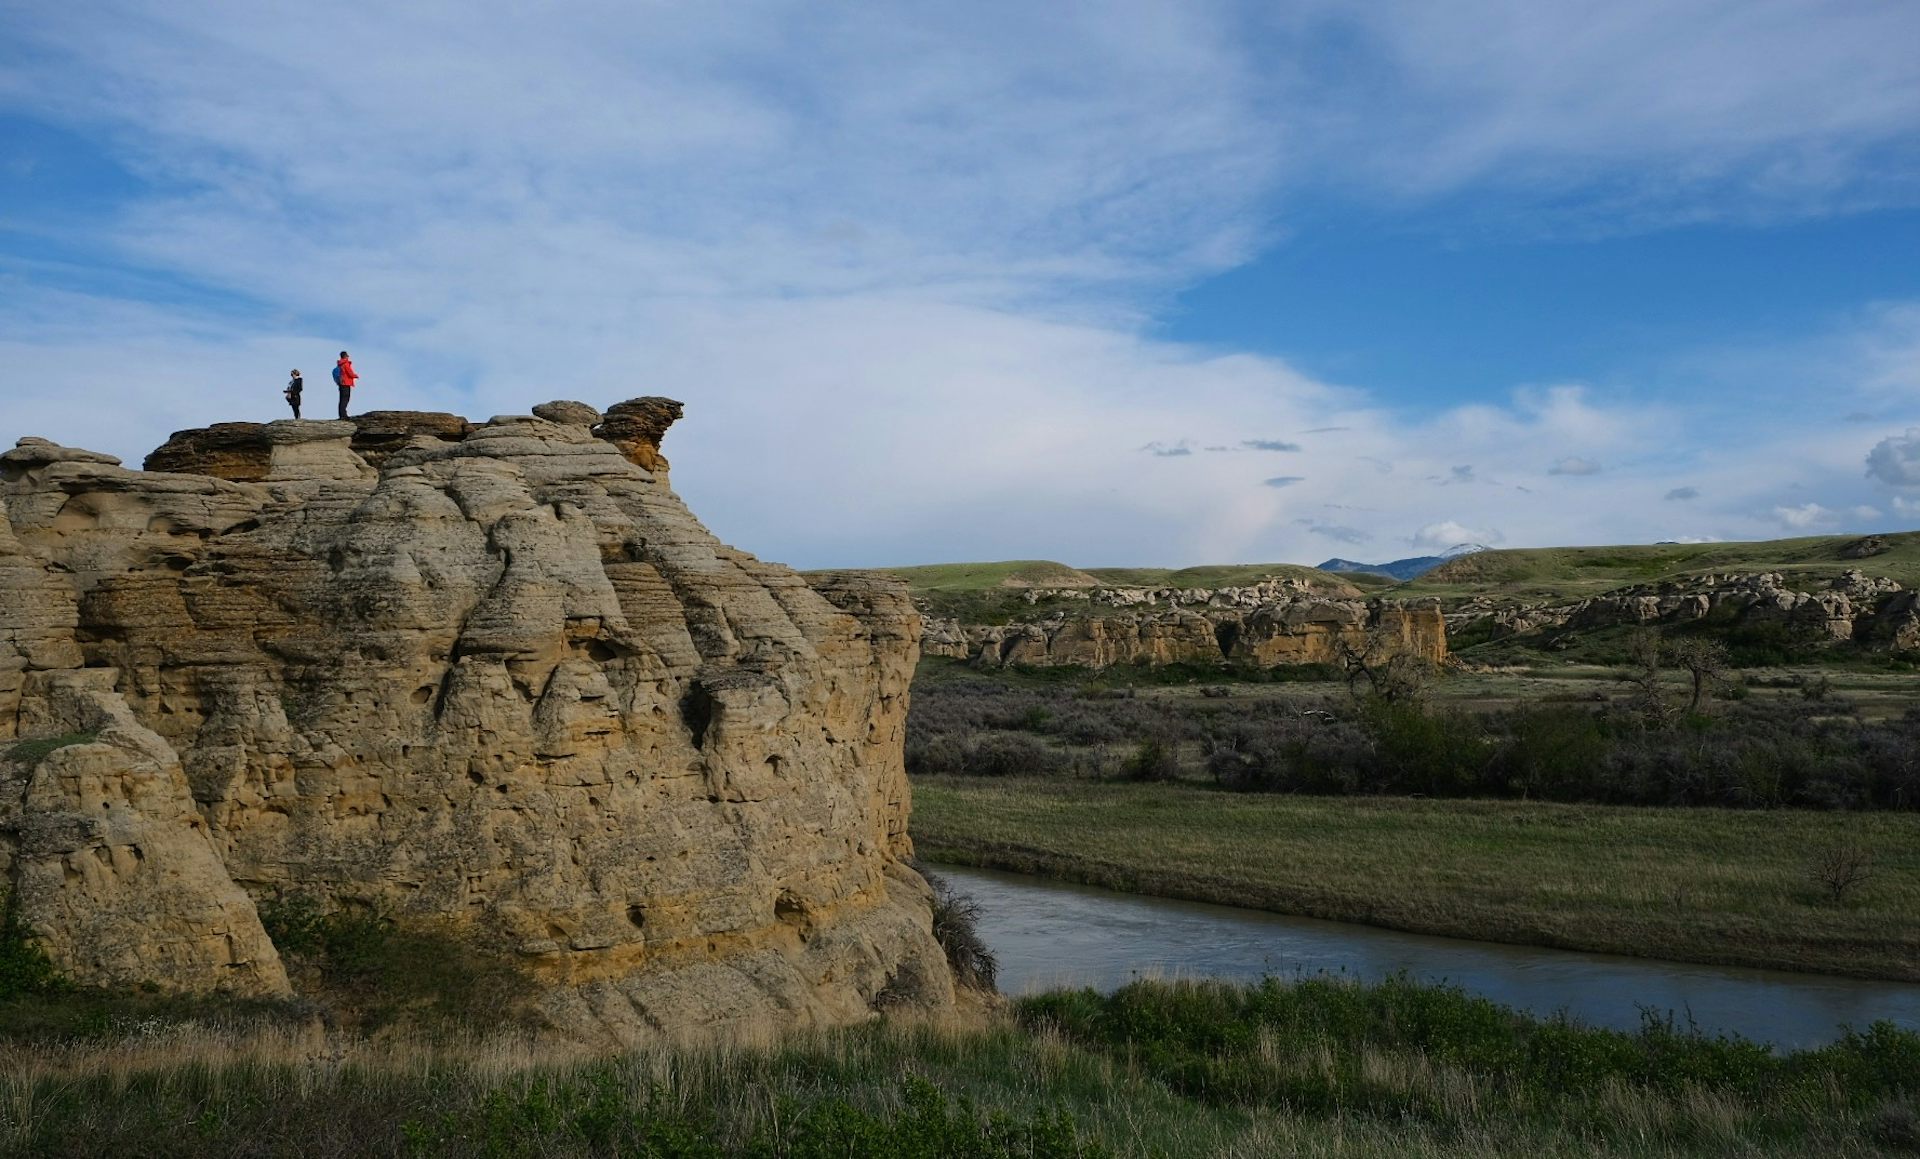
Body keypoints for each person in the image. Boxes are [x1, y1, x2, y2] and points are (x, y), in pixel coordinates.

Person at [333, 351, 357, 420]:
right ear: (345, 356)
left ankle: (341, 415)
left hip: (341, 384)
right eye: (347, 356)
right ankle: (344, 415)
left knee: (341, 399)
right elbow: (350, 373)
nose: (348, 357)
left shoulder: (339, 365)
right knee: (345, 399)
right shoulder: (345, 364)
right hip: (346, 383)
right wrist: (356, 376)